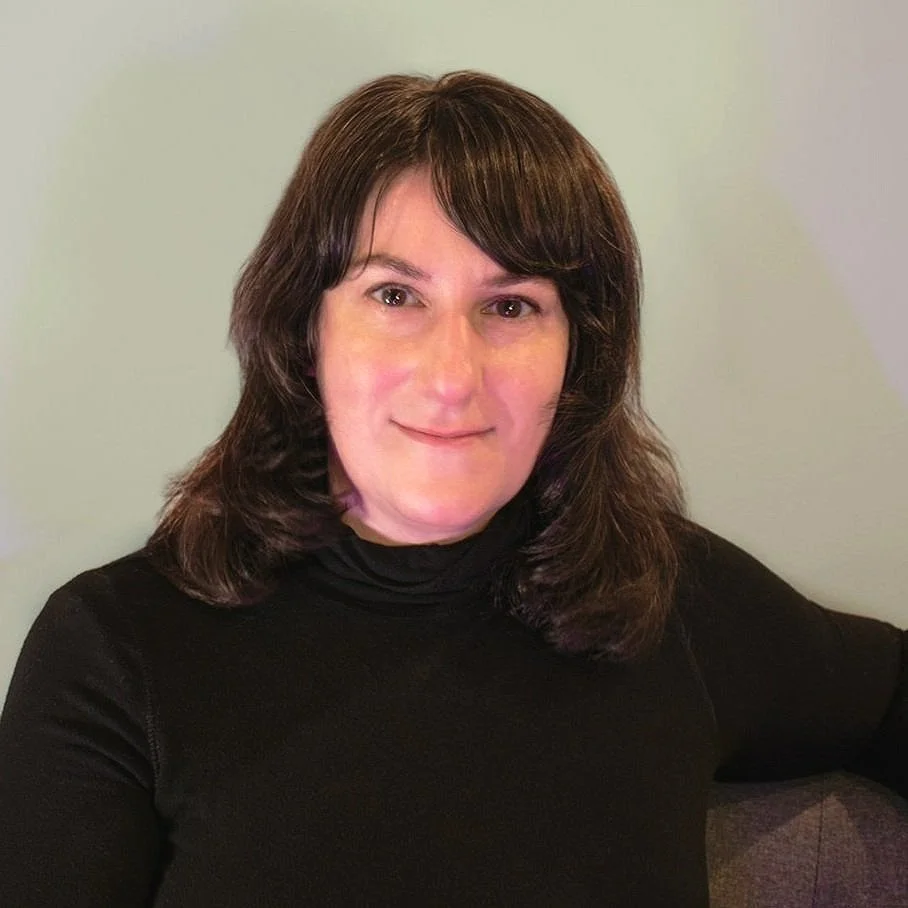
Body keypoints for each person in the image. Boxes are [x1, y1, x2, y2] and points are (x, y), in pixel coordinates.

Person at [0, 70, 904, 907]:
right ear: (304, 331)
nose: (452, 375)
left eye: (511, 306)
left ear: (577, 358)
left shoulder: (667, 595)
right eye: (395, 297)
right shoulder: (115, 653)